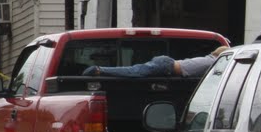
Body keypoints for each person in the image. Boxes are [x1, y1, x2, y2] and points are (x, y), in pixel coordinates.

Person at [83, 48, 228, 78]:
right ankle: (98, 70)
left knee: (135, 71)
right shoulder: (213, 63)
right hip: (166, 66)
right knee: (134, 72)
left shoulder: (209, 59)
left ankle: (100, 70)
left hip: (167, 65)